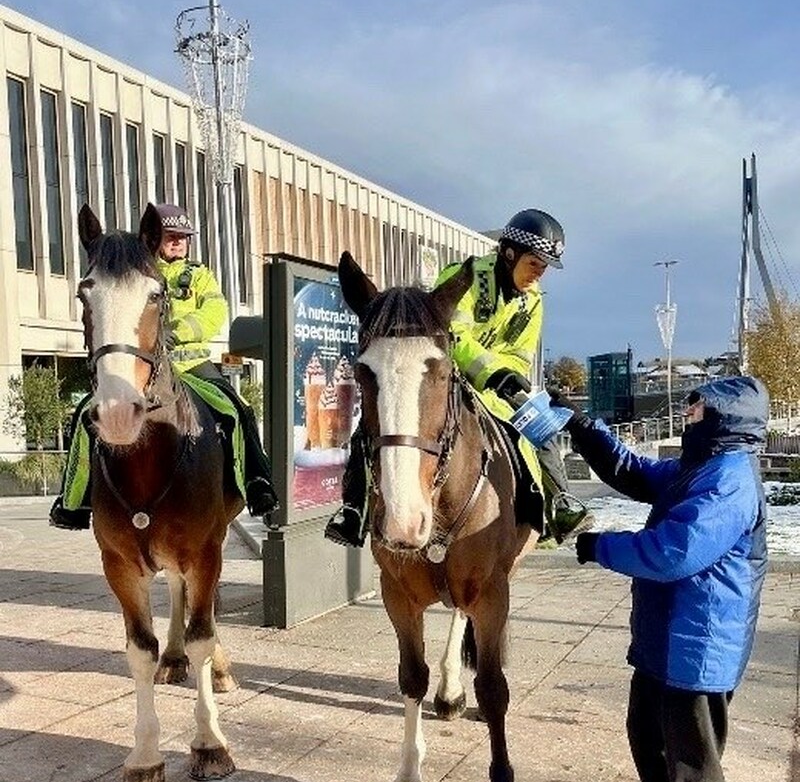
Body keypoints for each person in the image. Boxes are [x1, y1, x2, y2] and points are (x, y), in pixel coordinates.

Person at [559, 375, 768, 782]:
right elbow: (634, 472)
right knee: (648, 737)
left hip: (699, 646)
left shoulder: (729, 481)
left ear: (726, 421)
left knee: (694, 760)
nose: (687, 414)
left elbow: (674, 552)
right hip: (664, 639)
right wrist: (582, 428)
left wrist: (598, 546)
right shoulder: (694, 468)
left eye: (697, 409)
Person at [324, 208, 592, 547]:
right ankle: (354, 509)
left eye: (544, 268)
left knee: (544, 429)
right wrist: (492, 371)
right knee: (373, 430)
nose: (538, 275)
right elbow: (455, 335)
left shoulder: (534, 301)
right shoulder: (467, 278)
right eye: (535, 263)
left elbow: (521, 352)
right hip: (446, 378)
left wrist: (507, 377)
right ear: (509, 254)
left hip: (503, 386)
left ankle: (560, 503)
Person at [49, 203, 279, 529]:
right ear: (158, 239)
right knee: (86, 413)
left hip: (192, 365)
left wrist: (176, 333)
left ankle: (257, 483)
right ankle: (74, 498)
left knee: (237, 408)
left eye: (182, 238)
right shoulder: (136, 270)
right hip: (145, 367)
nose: (176, 243)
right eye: (170, 237)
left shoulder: (199, 276)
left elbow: (214, 313)